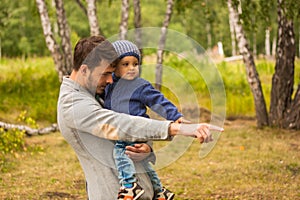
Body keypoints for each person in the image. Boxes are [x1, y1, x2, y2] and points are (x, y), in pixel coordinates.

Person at [57, 35, 223, 200]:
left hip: (142, 190)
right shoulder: (73, 103)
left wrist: (146, 147)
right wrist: (175, 128)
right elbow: (120, 124)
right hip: (113, 193)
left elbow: (132, 119)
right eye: (105, 74)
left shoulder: (95, 93)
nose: (110, 80)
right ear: (85, 70)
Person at [104, 40, 185, 200]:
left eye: (135, 64)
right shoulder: (109, 85)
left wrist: (175, 116)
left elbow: (159, 101)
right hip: (123, 129)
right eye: (125, 64)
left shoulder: (140, 85)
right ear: (114, 66)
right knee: (144, 165)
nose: (131, 68)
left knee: (120, 153)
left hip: (135, 130)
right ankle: (160, 191)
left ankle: (129, 186)